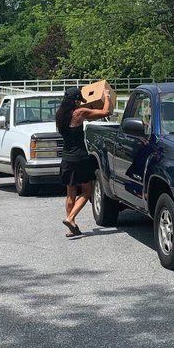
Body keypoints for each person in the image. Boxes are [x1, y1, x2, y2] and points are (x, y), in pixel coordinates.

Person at [56, 84, 114, 237]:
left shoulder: (60, 115)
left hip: (66, 158)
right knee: (87, 191)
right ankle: (70, 218)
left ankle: (70, 228)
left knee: (70, 193)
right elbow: (106, 112)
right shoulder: (79, 113)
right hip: (80, 158)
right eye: (79, 101)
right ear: (75, 101)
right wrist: (107, 96)